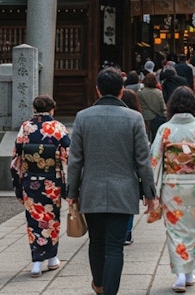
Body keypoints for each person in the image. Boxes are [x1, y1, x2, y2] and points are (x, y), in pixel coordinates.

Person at [66, 68, 159, 295]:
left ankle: (98, 283)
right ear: (121, 90)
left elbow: (75, 159)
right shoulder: (134, 118)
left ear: (97, 89)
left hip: (92, 188)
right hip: (123, 189)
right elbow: (142, 160)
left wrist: (72, 192)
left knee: (96, 241)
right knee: (115, 247)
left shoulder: (83, 117)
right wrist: (150, 193)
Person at [148, 86, 195, 293]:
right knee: (194, 229)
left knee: (175, 229)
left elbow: (154, 159)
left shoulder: (165, 129)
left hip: (172, 184)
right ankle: (188, 273)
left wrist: (152, 187)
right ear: (194, 105)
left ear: (172, 106)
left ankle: (181, 275)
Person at [10, 94, 70, 277]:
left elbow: (17, 155)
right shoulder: (58, 127)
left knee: (34, 219)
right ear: (52, 109)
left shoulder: (26, 128)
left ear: (34, 109)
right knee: (52, 218)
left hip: (31, 179)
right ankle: (52, 258)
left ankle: (37, 261)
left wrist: (18, 182)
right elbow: (67, 153)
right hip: (52, 180)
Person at [120, 88, 143, 246]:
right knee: (128, 200)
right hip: (130, 166)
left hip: (114, 162)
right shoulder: (136, 118)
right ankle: (126, 233)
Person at [138, 72, 168, 143]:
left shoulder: (140, 93)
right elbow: (163, 107)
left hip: (144, 118)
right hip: (156, 118)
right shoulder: (158, 93)